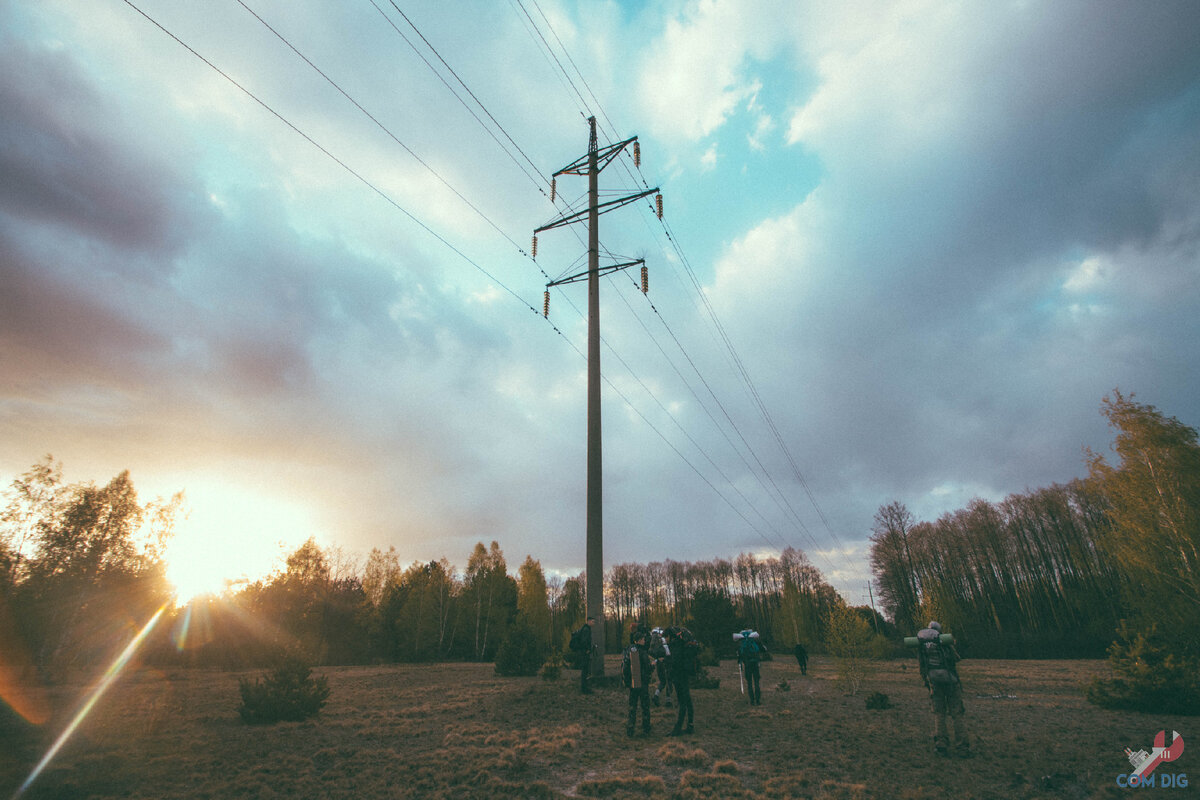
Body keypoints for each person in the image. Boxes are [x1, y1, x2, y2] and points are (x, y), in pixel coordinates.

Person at [916, 621, 970, 757]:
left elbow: (922, 665)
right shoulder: (943, 642)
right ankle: (962, 748)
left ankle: (941, 746)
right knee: (957, 713)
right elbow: (956, 658)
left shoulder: (922, 644)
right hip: (951, 681)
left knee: (939, 713)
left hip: (934, 682)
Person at [622, 629, 653, 736]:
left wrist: (626, 681)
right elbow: (647, 668)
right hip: (643, 683)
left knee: (632, 707)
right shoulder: (643, 652)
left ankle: (630, 729)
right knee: (645, 707)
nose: (645, 640)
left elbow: (625, 668)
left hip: (633, 683)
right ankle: (646, 729)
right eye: (643, 639)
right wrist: (653, 665)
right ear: (639, 640)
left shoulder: (629, 650)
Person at [665, 627, 696, 736]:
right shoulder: (680, 644)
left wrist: (667, 662)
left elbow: (675, 662)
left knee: (683, 701)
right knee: (687, 700)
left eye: (666, 637)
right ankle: (690, 725)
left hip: (680, 676)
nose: (666, 640)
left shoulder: (675, 645)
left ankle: (678, 727)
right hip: (684, 675)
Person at [735, 629, 765, 705]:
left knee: (749, 683)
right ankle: (758, 700)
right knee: (756, 682)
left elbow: (739, 655)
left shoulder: (741, 642)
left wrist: (741, 661)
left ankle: (752, 701)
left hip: (747, 664)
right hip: (755, 663)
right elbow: (763, 649)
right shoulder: (754, 641)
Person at [649, 627, 672, 707]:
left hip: (658, 663)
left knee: (662, 681)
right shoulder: (664, 641)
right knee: (669, 681)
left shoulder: (654, 642)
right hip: (666, 663)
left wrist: (657, 660)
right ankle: (668, 701)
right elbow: (668, 654)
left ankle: (656, 695)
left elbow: (651, 652)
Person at [572, 617, 595, 694]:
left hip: (583, 652)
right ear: (588, 621)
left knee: (585, 670)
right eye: (592, 621)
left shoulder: (585, 629)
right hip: (584, 653)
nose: (593, 623)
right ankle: (584, 689)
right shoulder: (586, 630)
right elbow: (584, 641)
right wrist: (587, 650)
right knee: (585, 670)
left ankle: (584, 688)